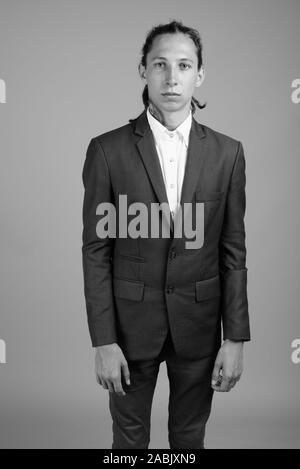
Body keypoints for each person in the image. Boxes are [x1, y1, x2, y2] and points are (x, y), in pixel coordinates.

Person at [81, 20, 251, 449]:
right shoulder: (107, 150)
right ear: (143, 70)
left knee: (189, 442)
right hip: (129, 330)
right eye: (160, 64)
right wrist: (103, 340)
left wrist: (235, 337)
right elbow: (96, 250)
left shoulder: (228, 154)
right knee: (129, 443)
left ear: (200, 74)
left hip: (198, 326)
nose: (172, 78)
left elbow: (233, 250)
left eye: (183, 65)